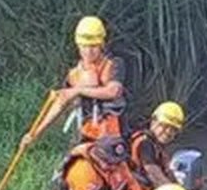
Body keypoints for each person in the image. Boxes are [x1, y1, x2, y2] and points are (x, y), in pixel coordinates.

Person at [21, 15, 127, 149]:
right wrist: (35, 134)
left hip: (111, 133)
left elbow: (113, 91)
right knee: (65, 167)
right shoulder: (74, 74)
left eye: (94, 46)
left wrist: (78, 90)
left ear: (102, 44)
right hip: (83, 132)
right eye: (85, 46)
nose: (89, 51)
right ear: (78, 45)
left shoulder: (114, 64)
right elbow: (60, 103)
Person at [129, 101, 185, 190]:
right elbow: (154, 174)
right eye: (164, 126)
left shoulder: (156, 145)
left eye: (173, 129)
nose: (168, 132)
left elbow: (168, 173)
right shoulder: (145, 143)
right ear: (153, 121)